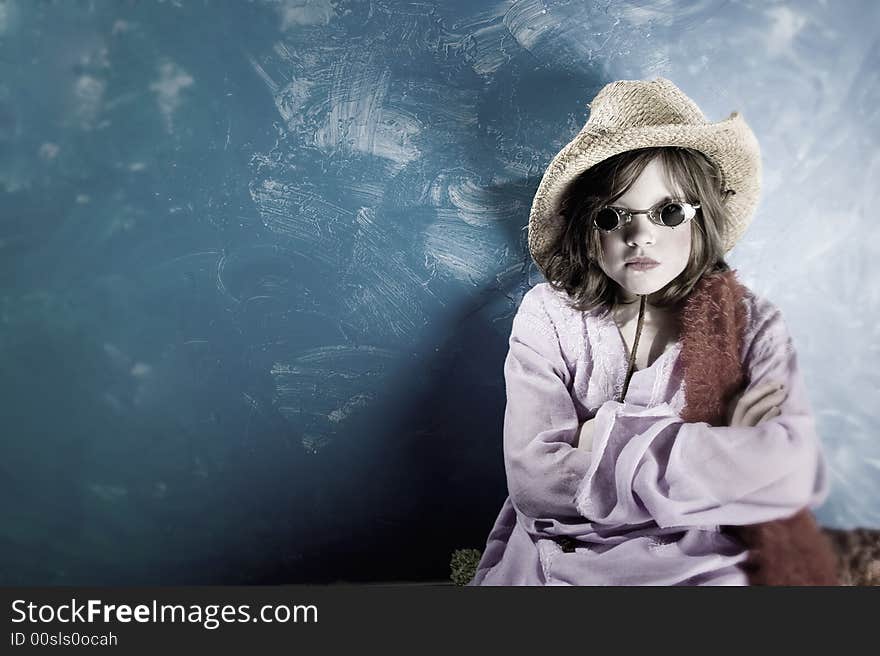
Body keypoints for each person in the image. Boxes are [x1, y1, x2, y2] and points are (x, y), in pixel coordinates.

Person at [469, 78, 835, 586]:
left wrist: (605, 439)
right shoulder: (547, 315)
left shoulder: (751, 324)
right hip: (567, 555)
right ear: (585, 227)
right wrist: (718, 448)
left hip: (706, 560)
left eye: (668, 212)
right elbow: (536, 484)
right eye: (611, 214)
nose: (639, 235)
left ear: (702, 216)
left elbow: (791, 471)